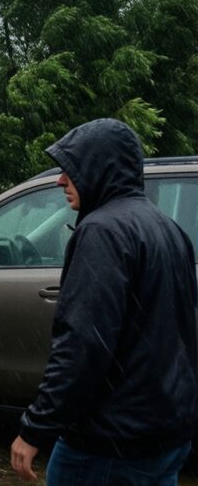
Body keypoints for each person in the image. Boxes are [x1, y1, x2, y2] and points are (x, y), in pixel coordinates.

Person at [11, 118, 198, 484]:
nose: (60, 180)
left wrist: (35, 428)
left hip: (110, 443)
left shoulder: (102, 232)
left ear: (99, 168)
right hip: (166, 436)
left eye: (70, 169)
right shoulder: (169, 229)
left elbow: (81, 344)